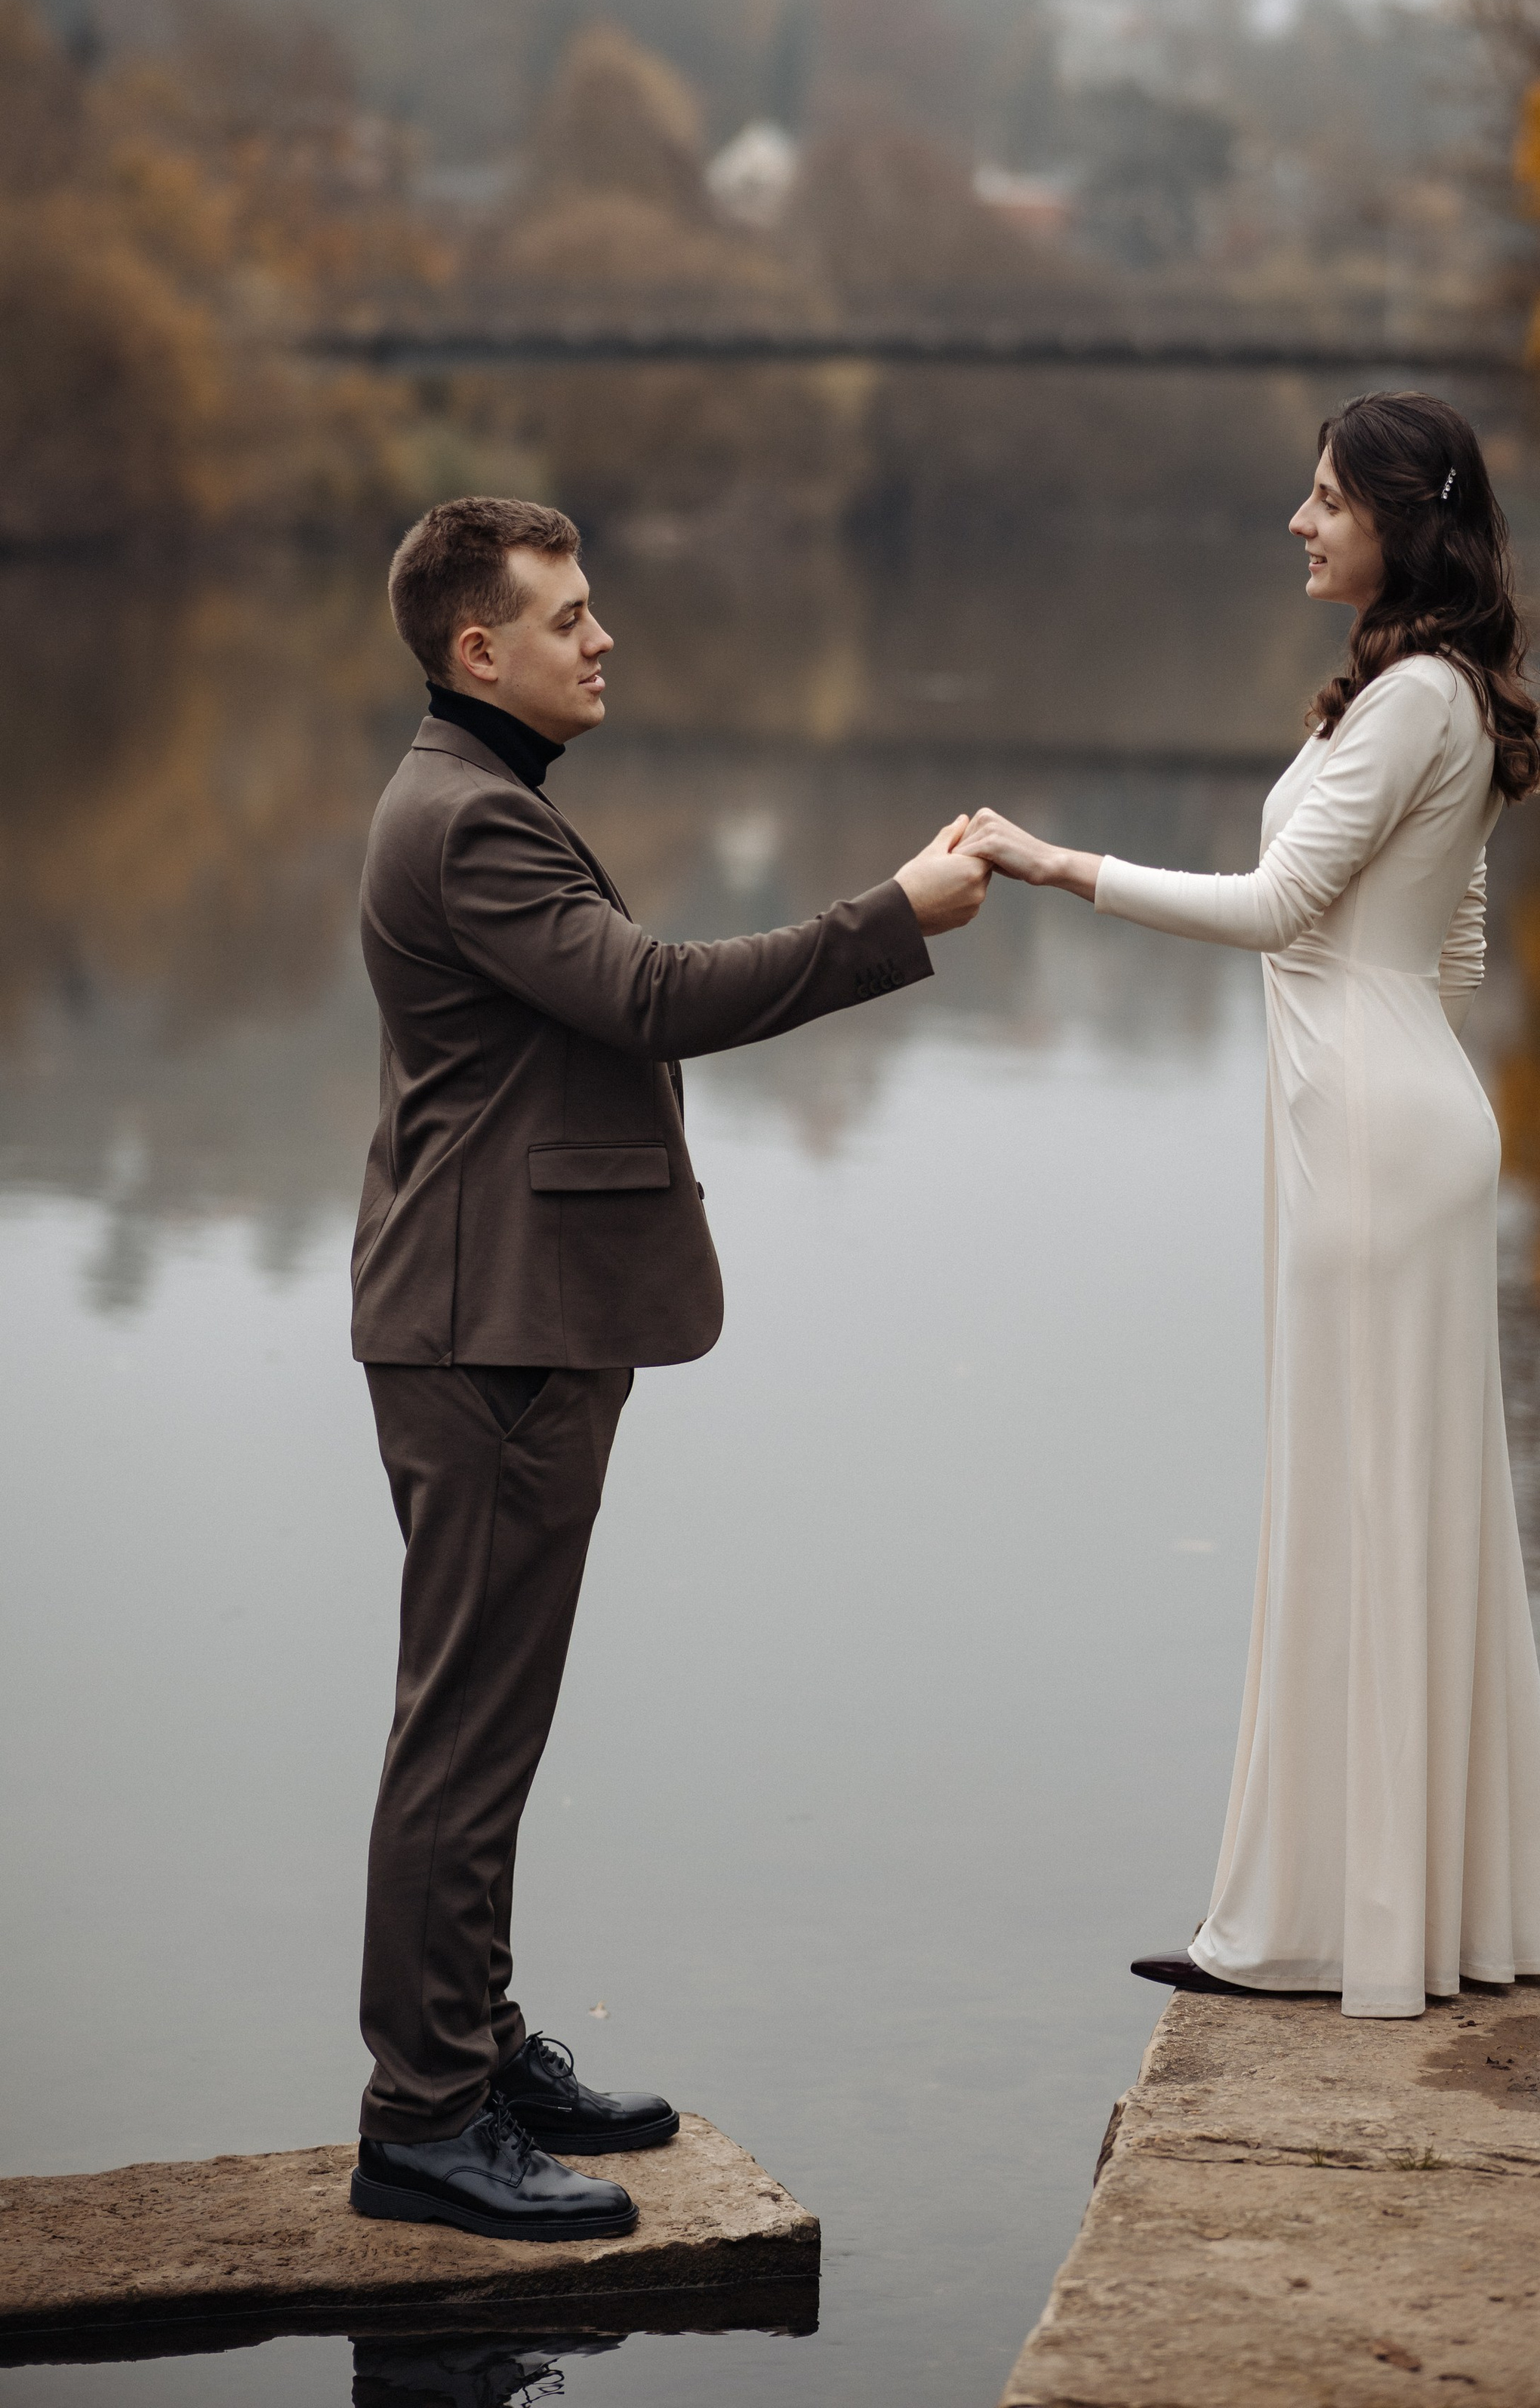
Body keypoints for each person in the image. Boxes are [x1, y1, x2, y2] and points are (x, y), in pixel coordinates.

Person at [348, 495, 987, 2241]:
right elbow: (648, 996)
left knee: (488, 1716)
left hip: (510, 1315)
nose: (601, 637)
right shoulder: (471, 824)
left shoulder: (479, 802)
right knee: (464, 1735)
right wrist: (893, 916)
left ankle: (472, 2050)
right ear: (480, 650)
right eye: (567, 617)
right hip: (489, 1329)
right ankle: (421, 2121)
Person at [959, 393, 1540, 2018]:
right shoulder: (1420, 694)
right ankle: (1368, 1918)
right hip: (1391, 1109)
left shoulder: (1410, 698)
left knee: (1368, 1514)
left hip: (1371, 1128)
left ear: (1396, 519)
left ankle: (1336, 1933)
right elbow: (1448, 951)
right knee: (1386, 1513)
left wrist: (1051, 861)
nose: (1294, 523)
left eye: (1320, 500)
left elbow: (1283, 907)